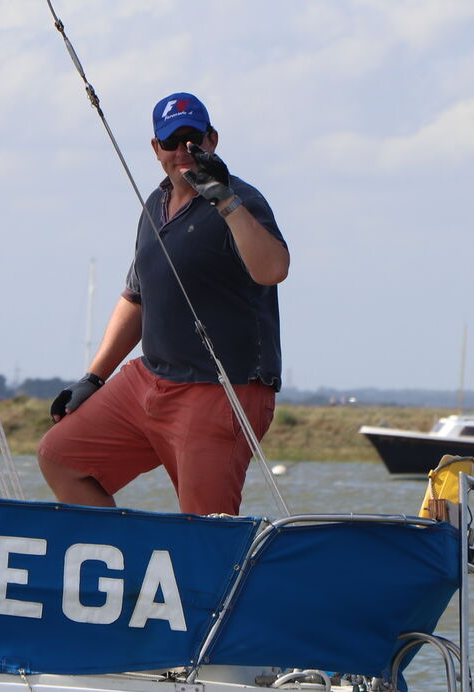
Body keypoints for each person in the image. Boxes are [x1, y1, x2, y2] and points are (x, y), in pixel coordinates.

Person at [37, 92, 288, 516]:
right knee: (61, 458)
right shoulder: (154, 204)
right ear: (156, 149)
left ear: (212, 140)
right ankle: (126, 568)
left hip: (221, 391)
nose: (183, 153)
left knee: (203, 524)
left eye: (193, 140)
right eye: (171, 143)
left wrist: (224, 200)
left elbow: (273, 269)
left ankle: (208, 580)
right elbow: (136, 297)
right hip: (149, 381)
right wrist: (93, 378)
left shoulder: (241, 200)